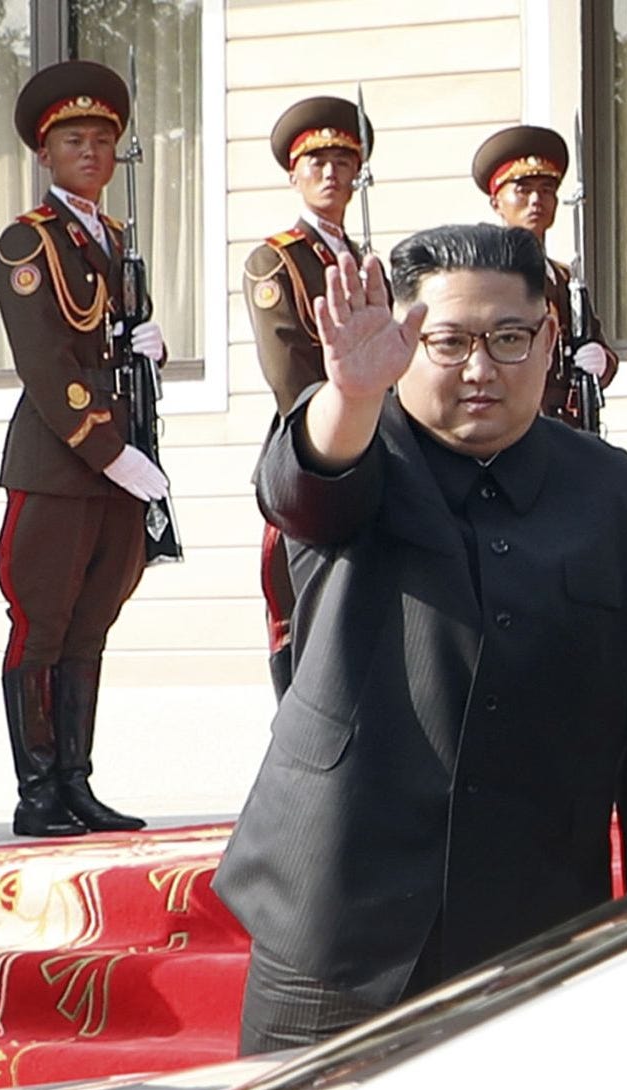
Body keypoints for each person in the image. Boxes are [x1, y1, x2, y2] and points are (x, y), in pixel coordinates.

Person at [213, 224, 627, 1054]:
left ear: (550, 338)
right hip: (337, 925)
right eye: (446, 342)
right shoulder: (361, 443)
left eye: (509, 338)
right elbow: (300, 490)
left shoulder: (616, 494)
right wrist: (354, 394)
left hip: (534, 927)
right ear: (405, 341)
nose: (480, 369)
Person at [0, 60, 168, 837]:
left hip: (118, 463)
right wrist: (109, 450)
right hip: (61, 462)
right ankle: (37, 791)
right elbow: (47, 362)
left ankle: (77, 781)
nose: (90, 153)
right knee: (42, 624)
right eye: (74, 140)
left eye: (102, 140)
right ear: (45, 153)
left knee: (91, 623)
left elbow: (112, 337)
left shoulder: (115, 237)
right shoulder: (26, 243)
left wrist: (147, 344)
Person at [243, 95, 383, 698]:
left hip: (379, 449)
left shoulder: (372, 260)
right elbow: (291, 375)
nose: (330, 173)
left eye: (343, 161)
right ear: (294, 175)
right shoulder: (277, 260)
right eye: (316, 162)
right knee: (300, 604)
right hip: (315, 453)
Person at [472, 125, 618, 427]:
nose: (537, 200)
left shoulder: (564, 278)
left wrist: (602, 361)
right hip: (511, 422)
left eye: (547, 190)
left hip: (567, 427)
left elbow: (596, 342)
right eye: (523, 190)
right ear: (496, 202)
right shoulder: (486, 276)